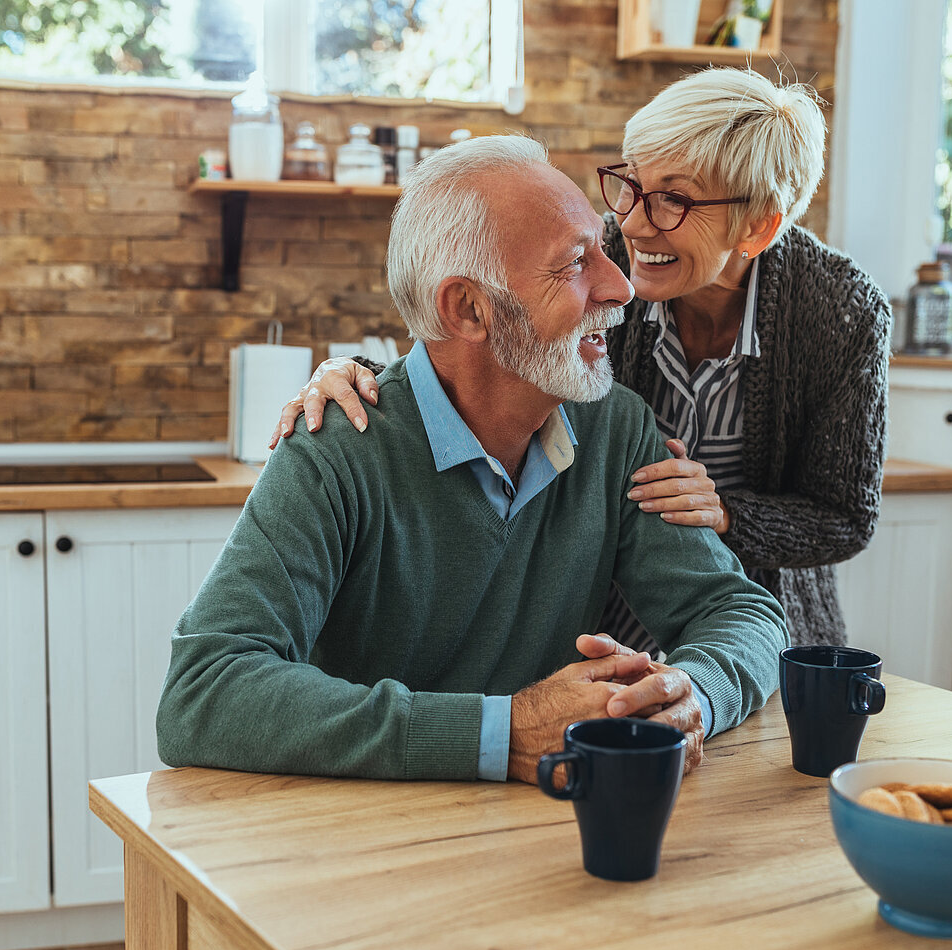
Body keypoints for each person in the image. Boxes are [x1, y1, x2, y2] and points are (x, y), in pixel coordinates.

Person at [158, 135, 786, 783]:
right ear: (468, 308)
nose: (621, 287)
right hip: (362, 839)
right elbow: (203, 693)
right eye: (575, 263)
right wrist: (502, 731)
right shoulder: (337, 446)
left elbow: (743, 613)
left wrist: (694, 695)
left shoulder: (615, 427)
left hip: (539, 831)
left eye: (605, 251)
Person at [270, 67, 891, 650]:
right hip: (591, 629)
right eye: (632, 183)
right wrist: (357, 374)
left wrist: (726, 512)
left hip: (752, 629)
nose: (635, 225)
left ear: (757, 227)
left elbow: (845, 517)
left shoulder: (840, 311)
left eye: (673, 199)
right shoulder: (608, 253)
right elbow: (477, 333)